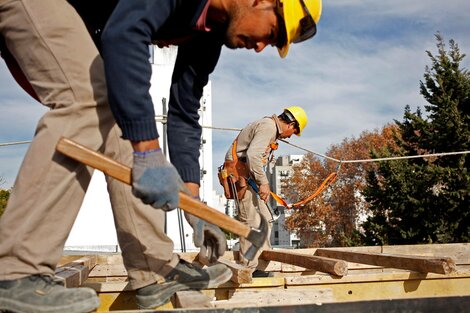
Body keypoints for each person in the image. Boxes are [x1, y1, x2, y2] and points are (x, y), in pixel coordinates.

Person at [0, 0, 322, 311]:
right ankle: (16, 270)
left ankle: (153, 270)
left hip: (88, 21)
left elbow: (184, 113)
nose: (261, 47)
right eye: (273, 33)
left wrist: (194, 208)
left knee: (121, 118)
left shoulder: (210, 33)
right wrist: (148, 150)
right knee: (89, 99)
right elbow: (125, 32)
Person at [222, 106, 308, 275]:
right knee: (252, 223)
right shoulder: (268, 126)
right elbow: (253, 156)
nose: (290, 136)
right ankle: (248, 269)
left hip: (248, 178)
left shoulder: (269, 128)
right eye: (294, 132)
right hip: (241, 178)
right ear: (291, 124)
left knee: (266, 218)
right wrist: (264, 183)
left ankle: (261, 266)